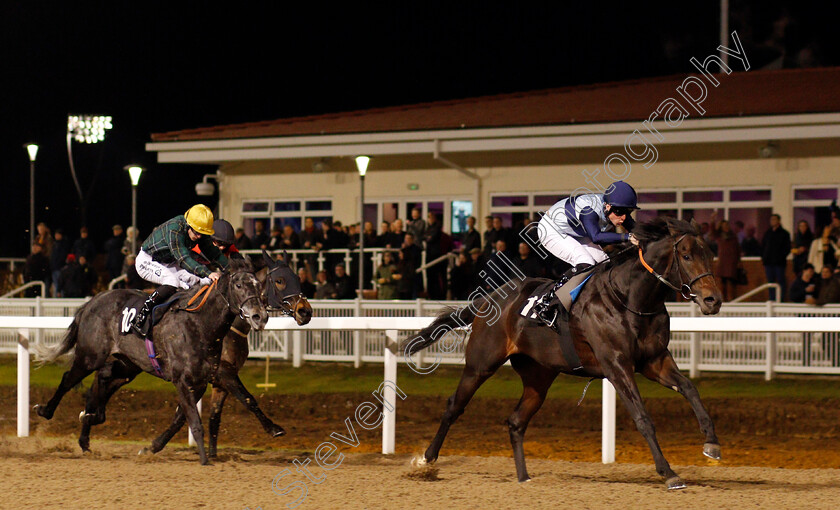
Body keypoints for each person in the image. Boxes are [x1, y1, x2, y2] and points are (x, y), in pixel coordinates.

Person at [532, 181, 640, 322]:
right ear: (607, 206)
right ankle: (548, 303)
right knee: (586, 262)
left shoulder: (615, 209)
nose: (624, 217)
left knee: (605, 262)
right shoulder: (589, 210)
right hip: (551, 230)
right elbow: (596, 237)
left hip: (575, 231)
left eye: (628, 212)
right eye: (620, 212)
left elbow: (640, 231)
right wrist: (628, 237)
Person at [132, 205, 229, 335]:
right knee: (172, 281)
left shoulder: (197, 230)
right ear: (188, 225)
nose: (199, 236)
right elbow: (183, 260)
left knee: (202, 280)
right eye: (196, 232)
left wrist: (231, 267)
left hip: (168, 262)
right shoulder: (174, 230)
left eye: (202, 233)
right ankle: (141, 317)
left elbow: (215, 254)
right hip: (147, 261)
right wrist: (209, 272)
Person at [761, 214, 791, 301]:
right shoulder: (767, 233)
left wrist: (780, 257)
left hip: (779, 263)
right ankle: (772, 299)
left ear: (778, 221)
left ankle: (780, 299)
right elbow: (763, 246)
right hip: (768, 262)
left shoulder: (784, 234)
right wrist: (764, 257)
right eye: (771, 220)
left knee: (781, 281)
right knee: (770, 282)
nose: (772, 221)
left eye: (774, 219)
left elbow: (787, 248)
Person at [713, 219, 741, 301]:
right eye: (724, 226)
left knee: (731, 282)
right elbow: (713, 232)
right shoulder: (719, 236)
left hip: (732, 262)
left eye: (727, 225)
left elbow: (738, 249)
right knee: (722, 282)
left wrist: (739, 261)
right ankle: (723, 299)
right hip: (722, 262)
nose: (726, 227)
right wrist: (712, 221)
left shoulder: (733, 237)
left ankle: (731, 300)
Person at [50, 229, 71, 297]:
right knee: (56, 286)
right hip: (54, 268)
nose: (56, 236)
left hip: (60, 268)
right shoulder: (54, 244)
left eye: (58, 234)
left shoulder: (64, 244)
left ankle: (62, 299)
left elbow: (63, 256)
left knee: (60, 285)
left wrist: (61, 264)